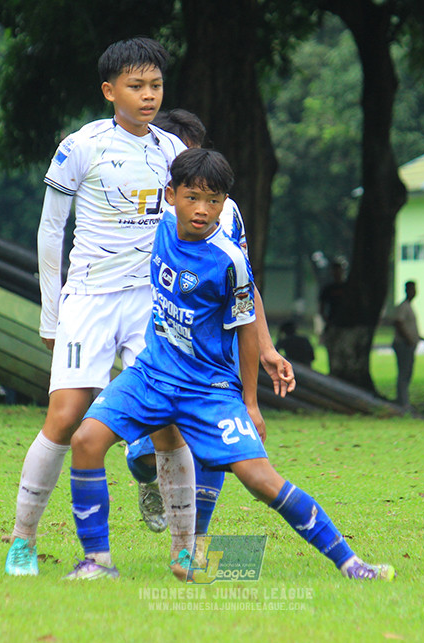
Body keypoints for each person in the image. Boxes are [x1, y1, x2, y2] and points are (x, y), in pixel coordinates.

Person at [5, 38, 293, 577]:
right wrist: (50, 313)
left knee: (170, 425)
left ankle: (184, 548)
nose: (147, 96)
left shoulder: (170, 153)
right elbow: (50, 230)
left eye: (155, 85)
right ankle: (22, 541)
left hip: (149, 304)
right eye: (136, 86)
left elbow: (204, 224)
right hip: (88, 300)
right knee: (66, 418)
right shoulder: (80, 146)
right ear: (109, 91)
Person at [63, 148, 392, 581]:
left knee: (261, 481)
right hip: (152, 374)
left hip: (208, 389)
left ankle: (352, 564)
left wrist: (250, 403)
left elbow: (245, 326)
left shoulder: (229, 261)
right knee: (86, 440)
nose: (203, 210)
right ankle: (98, 563)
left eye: (214, 201)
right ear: (171, 195)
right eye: (193, 197)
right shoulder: (158, 228)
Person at [122, 107, 293, 538]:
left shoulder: (225, 214)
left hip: (214, 347)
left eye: (209, 190)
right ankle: (149, 475)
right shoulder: (150, 205)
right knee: (154, 449)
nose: (199, 200)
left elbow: (244, 286)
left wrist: (267, 347)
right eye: (188, 186)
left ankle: (195, 543)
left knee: (207, 447)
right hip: (163, 338)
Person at [391, 281, 424, 409]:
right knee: (404, 372)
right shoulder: (403, 307)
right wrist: (408, 339)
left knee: (407, 373)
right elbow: (399, 323)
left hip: (409, 343)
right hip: (403, 344)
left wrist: (422, 339)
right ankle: (403, 402)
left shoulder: (409, 306)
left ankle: (403, 399)